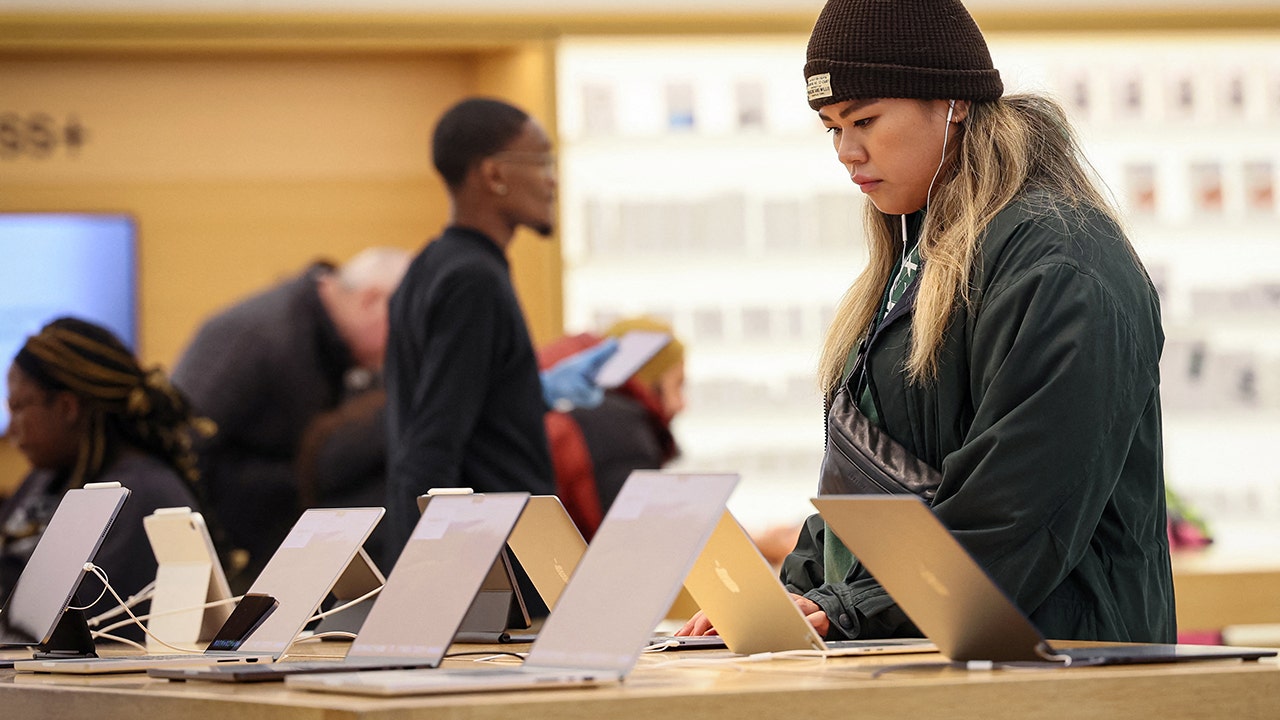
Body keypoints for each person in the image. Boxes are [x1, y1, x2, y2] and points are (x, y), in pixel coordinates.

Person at [682, 0, 1173, 644]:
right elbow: (874, 479)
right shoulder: (921, 258)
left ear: (955, 103)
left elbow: (1017, 510)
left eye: (865, 120)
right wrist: (793, 595)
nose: (845, 151)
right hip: (950, 657)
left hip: (1059, 664)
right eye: (831, 126)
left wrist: (848, 608)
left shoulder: (1061, 264)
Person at [383, 97, 617, 568]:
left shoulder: (428, 267)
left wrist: (533, 394)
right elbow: (434, 442)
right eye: (542, 161)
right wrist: (422, 584)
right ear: (494, 175)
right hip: (490, 566)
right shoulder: (474, 281)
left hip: (479, 563)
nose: (552, 180)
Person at [171, 246, 410, 588]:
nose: (406, 345)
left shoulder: (325, 340)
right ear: (372, 301)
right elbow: (179, 448)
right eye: (407, 327)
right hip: (225, 560)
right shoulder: (256, 335)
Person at [1, 317, 208, 639]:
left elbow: (67, 631)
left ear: (68, 407)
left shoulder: (143, 495)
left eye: (18, 408)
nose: (12, 430)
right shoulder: (45, 476)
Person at [538, 316, 685, 538]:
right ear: (649, 380)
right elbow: (637, 542)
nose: (681, 404)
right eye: (678, 385)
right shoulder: (622, 430)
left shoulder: (566, 408)